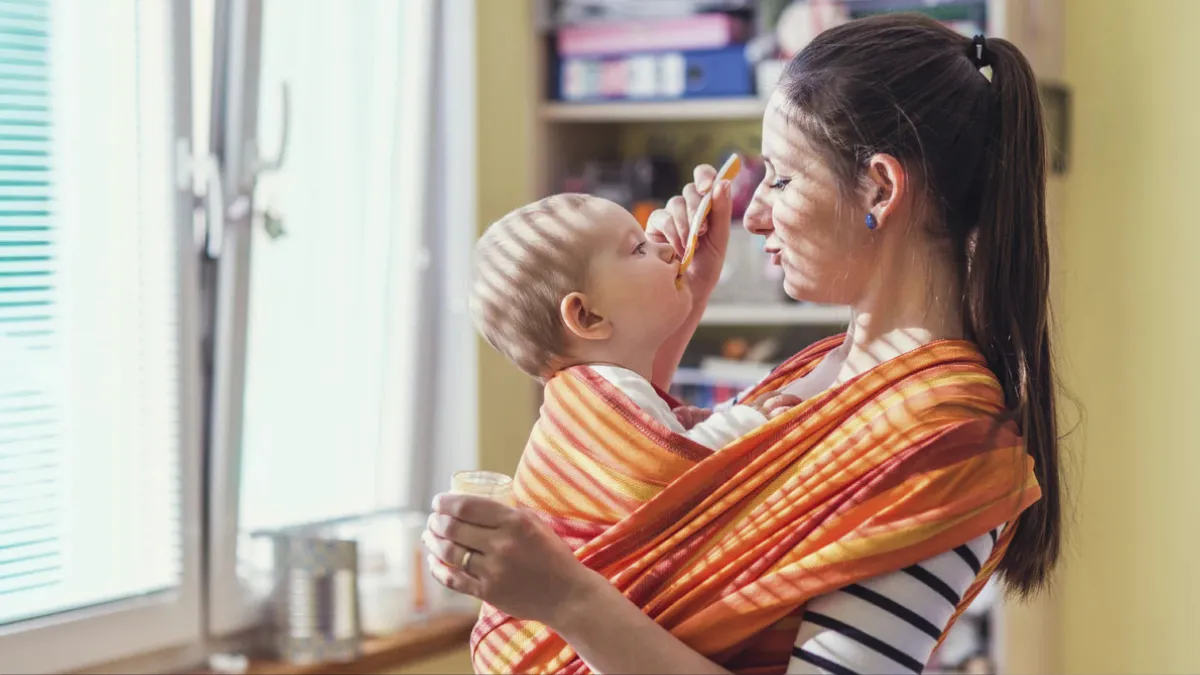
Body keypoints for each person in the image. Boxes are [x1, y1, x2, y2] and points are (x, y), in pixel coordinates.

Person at [424, 13, 1062, 675]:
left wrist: (564, 597)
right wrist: (673, 320)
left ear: (879, 186)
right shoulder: (834, 368)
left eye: (781, 179)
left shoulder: (944, 443)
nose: (753, 212)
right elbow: (670, 516)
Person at [468, 192, 800, 451]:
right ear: (588, 316)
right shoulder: (610, 395)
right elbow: (673, 463)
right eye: (639, 248)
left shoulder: (594, 394)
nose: (667, 249)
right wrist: (750, 420)